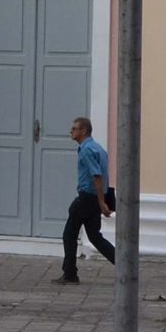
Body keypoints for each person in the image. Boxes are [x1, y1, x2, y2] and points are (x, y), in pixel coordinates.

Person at [60, 115, 115, 284]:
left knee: (69, 234)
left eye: (74, 128)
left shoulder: (86, 150)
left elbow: (97, 176)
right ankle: (123, 264)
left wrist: (101, 202)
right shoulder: (98, 148)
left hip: (87, 198)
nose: (71, 131)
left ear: (83, 131)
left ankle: (70, 273)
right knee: (94, 236)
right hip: (95, 197)